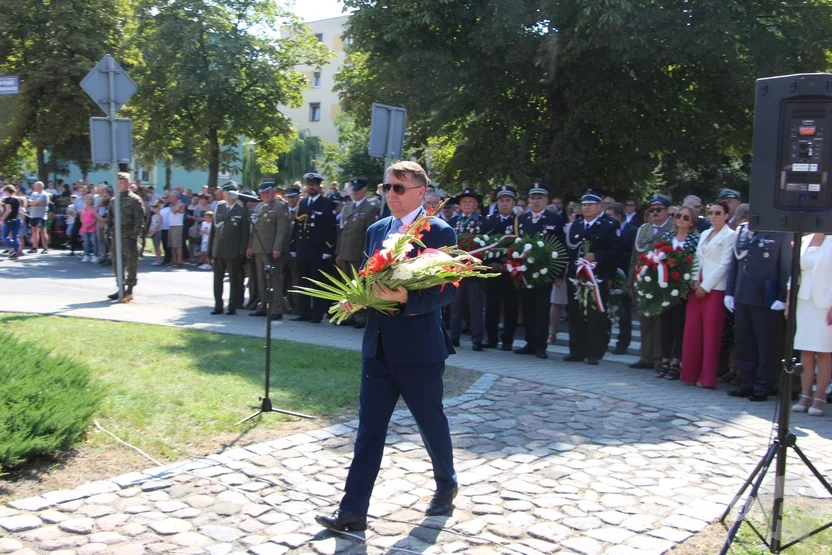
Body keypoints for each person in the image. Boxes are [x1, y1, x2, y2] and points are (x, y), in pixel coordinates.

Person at [315, 161, 458, 533]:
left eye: (398, 187)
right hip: (377, 347)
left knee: (431, 423)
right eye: (386, 187)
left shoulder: (439, 232)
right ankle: (352, 511)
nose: (390, 194)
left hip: (418, 350)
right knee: (368, 431)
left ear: (420, 192)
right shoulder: (377, 229)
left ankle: (446, 484)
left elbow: (443, 293)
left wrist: (406, 298)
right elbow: (369, 278)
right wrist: (356, 299)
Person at [725, 223, 792, 401]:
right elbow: (735, 264)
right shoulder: (743, 230)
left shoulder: (781, 231)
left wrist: (782, 296)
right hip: (742, 294)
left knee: (765, 344)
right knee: (743, 341)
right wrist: (729, 292)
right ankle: (747, 382)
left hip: (766, 296)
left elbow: (786, 267)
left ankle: (763, 385)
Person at [563, 189, 622, 365]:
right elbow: (570, 251)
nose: (586, 208)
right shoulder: (576, 225)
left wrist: (597, 256)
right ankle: (576, 350)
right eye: (584, 205)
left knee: (596, 315)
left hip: (597, 276)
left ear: (599, 207)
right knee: (575, 314)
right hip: (577, 277)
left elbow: (615, 251)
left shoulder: (609, 224)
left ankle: (594, 352)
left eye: (590, 205)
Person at [681, 200, 735, 389]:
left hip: (715, 288)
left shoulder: (730, 236)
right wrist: (695, 281)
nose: (713, 216)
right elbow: (697, 259)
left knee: (711, 334)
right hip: (697, 287)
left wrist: (706, 285)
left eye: (718, 213)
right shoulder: (704, 233)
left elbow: (725, 264)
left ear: (726, 215)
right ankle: (690, 372)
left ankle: (707, 376)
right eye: (711, 213)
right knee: (692, 331)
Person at [514, 183, 566, 359]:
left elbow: (561, 248)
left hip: (545, 272)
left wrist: (558, 274)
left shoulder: (555, 219)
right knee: (527, 309)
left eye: (540, 198)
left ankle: (541, 346)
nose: (536, 201)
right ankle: (530, 343)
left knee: (542, 309)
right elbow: (517, 244)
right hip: (526, 271)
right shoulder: (522, 219)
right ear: (528, 200)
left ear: (546, 200)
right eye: (533, 198)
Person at [628, 194, 674, 370]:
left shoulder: (673, 229)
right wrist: (630, 282)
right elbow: (634, 257)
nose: (655, 213)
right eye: (652, 210)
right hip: (643, 280)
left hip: (662, 282)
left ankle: (659, 358)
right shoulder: (643, 229)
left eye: (659, 210)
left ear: (667, 211)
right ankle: (645, 356)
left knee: (660, 321)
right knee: (645, 320)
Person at [655, 204, 700, 380]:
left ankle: (676, 361)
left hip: (684, 289)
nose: (680, 219)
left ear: (692, 222)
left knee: (681, 326)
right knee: (666, 325)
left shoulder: (696, 239)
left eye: (685, 217)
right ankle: (664, 359)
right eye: (678, 216)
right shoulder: (667, 237)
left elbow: (697, 263)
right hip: (666, 288)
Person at [790, 233, 832, 416]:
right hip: (803, 300)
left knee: (823, 351)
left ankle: (820, 396)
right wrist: (788, 301)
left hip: (825, 303)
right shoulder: (804, 240)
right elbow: (793, 273)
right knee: (805, 350)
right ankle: (805, 394)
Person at [292, 172, 337, 324]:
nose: (311, 187)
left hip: (318, 250)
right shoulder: (302, 203)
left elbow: (331, 229)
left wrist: (328, 249)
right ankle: (304, 312)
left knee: (317, 282)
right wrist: (293, 246)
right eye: (309, 185)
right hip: (303, 249)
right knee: (302, 281)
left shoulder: (327, 204)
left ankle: (317, 314)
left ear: (319, 187)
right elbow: (297, 226)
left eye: (314, 185)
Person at [336, 177, 380, 328]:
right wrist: (338, 252)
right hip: (345, 252)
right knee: (346, 284)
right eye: (353, 189)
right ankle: (346, 314)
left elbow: (372, 235)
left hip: (359, 254)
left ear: (364, 191)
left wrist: (368, 256)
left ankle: (360, 316)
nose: (355, 192)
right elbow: (342, 232)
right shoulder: (347, 207)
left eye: (358, 189)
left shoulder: (370, 208)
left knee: (359, 287)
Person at [482, 185, 520, 350]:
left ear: (514, 202)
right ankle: (491, 338)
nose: (504, 204)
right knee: (492, 305)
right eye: (501, 201)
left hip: (511, 270)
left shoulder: (519, 221)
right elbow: (482, 245)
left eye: (508, 200)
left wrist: (508, 264)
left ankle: (507, 340)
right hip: (492, 269)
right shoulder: (489, 221)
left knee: (510, 306)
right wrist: (490, 263)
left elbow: (521, 246)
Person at [247, 182, 292, 320]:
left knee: (274, 279)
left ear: (273, 192)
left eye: (267, 192)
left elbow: (282, 229)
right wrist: (250, 245)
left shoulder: (280, 206)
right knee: (261, 279)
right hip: (259, 248)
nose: (264, 195)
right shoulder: (260, 206)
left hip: (272, 249)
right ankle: (263, 306)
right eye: (262, 193)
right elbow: (255, 228)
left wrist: (277, 248)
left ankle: (276, 309)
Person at [449, 186, 486, 350]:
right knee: (455, 304)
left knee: (475, 305)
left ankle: (477, 339)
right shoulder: (453, 222)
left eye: (471, 202)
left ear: (476, 204)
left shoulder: (483, 222)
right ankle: (454, 336)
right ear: (460, 204)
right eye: (465, 202)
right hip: (456, 269)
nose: (468, 204)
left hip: (474, 269)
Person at [209, 182, 250, 315]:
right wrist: (210, 249)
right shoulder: (219, 208)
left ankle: (232, 306)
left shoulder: (241, 210)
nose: (230, 195)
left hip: (233, 251)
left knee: (234, 280)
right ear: (224, 194)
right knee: (217, 280)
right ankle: (218, 305)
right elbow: (213, 231)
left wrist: (241, 252)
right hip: (218, 249)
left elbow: (244, 234)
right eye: (228, 192)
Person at [106, 173, 146, 300]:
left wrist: (134, 237)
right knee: (117, 265)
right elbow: (109, 219)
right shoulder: (114, 201)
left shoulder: (135, 200)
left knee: (131, 265)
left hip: (129, 238)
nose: (121, 185)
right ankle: (120, 288)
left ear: (129, 183)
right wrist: (107, 234)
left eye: (123, 182)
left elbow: (139, 221)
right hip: (116, 238)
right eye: (119, 183)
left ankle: (129, 290)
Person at [605, 202, 637, 354]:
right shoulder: (607, 229)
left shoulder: (632, 231)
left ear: (618, 216)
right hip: (609, 273)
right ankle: (603, 339)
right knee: (606, 309)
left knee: (624, 311)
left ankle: (623, 342)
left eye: (609, 216)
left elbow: (633, 254)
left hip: (624, 274)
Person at [283, 185, 301, 315]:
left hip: (295, 249)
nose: (290, 199)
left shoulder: (301, 210)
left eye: (293, 197)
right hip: (282, 249)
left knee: (295, 280)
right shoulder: (282, 209)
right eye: (288, 197)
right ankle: (285, 305)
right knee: (283, 279)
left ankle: (296, 306)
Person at [27, 181, 50, 254]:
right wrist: (35, 203)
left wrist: (35, 203)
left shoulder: (44, 194)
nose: (34, 187)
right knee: (34, 232)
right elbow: (30, 202)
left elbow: (37, 203)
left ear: (40, 186)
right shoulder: (34, 193)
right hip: (33, 215)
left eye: (36, 186)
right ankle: (34, 247)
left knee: (43, 232)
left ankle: (45, 248)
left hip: (41, 216)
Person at [0, 185, 21, 259]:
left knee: (4, 236)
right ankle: (16, 251)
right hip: (17, 219)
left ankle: (12, 249)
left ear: (7, 191)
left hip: (9, 220)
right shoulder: (18, 199)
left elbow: (8, 210)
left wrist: (2, 219)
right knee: (15, 236)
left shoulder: (8, 200)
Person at [79, 194, 99, 263]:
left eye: (89, 199)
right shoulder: (83, 209)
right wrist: (84, 223)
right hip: (84, 227)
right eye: (86, 199)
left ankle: (95, 255)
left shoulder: (94, 209)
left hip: (92, 227)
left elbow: (96, 218)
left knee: (94, 242)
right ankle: (86, 255)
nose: (87, 200)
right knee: (86, 242)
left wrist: (90, 224)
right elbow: (81, 217)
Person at [168, 192, 185, 267]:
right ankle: (174, 260)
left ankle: (179, 260)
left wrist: (172, 207)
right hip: (171, 225)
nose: (170, 198)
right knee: (172, 244)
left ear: (176, 197)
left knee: (177, 244)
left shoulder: (180, 204)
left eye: (171, 197)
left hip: (178, 226)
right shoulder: (172, 205)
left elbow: (174, 211)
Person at [148, 201, 163, 266]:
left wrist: (153, 233)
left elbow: (158, 226)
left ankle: (158, 261)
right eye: (153, 208)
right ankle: (156, 260)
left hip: (157, 232)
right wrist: (149, 231)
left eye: (155, 207)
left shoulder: (160, 216)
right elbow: (151, 224)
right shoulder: (153, 216)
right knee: (155, 246)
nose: (154, 209)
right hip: (153, 232)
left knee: (157, 246)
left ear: (159, 208)